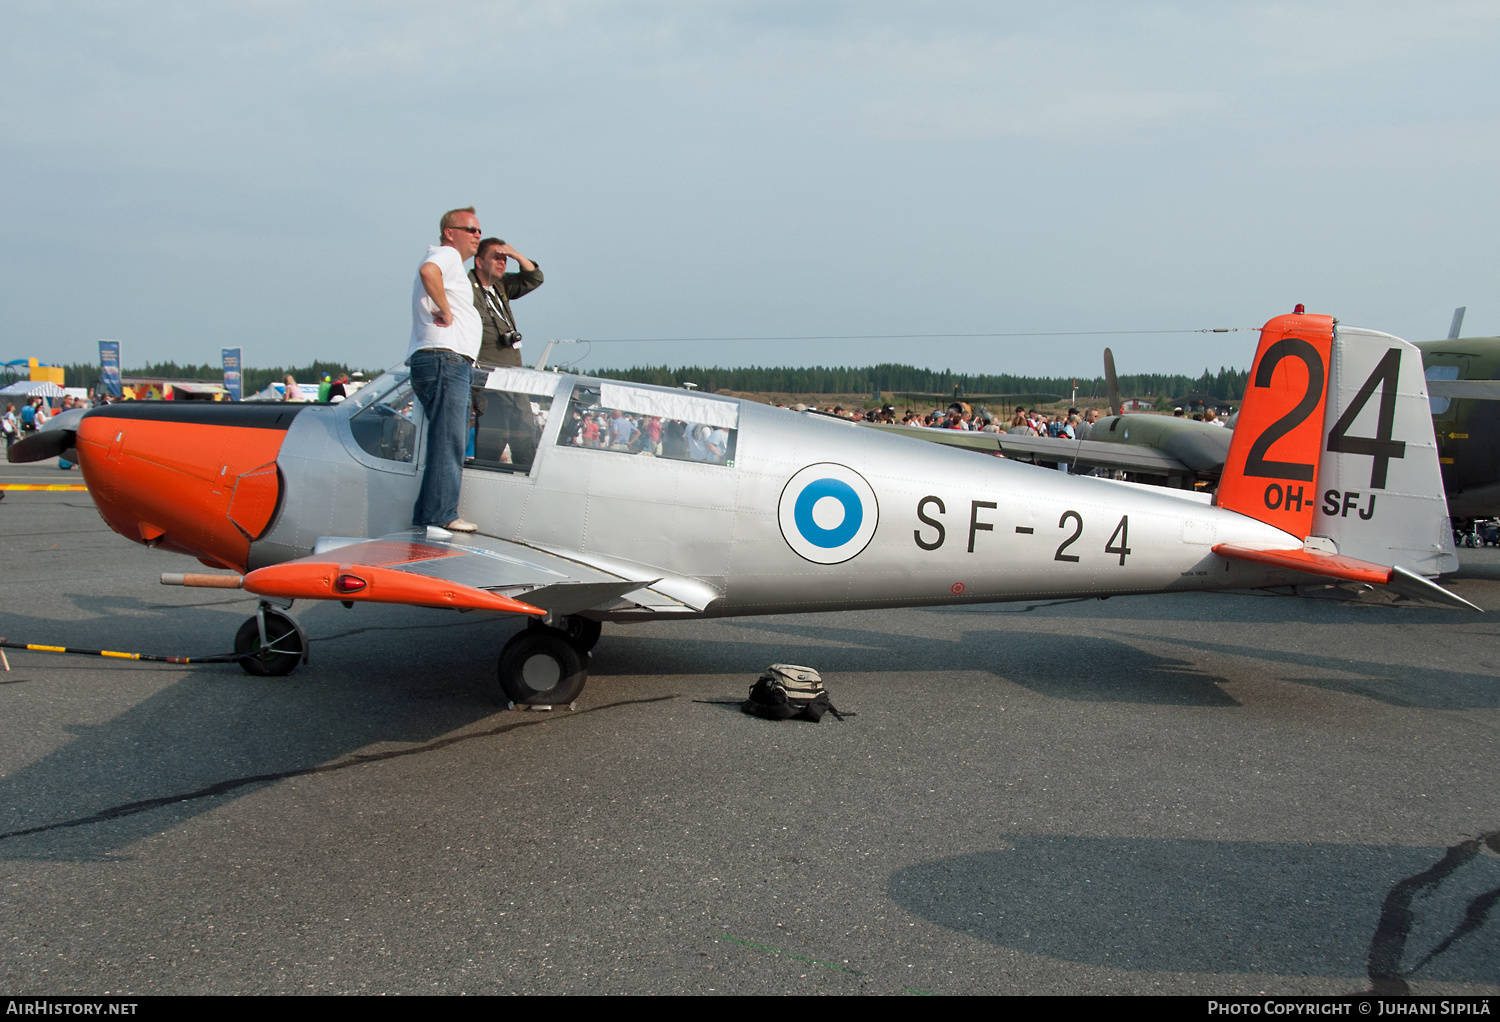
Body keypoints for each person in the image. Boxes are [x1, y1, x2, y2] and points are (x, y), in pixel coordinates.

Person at [409, 206, 485, 531]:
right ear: (449, 232)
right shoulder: (447, 255)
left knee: (446, 438)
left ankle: (429, 516)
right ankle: (440, 515)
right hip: (445, 358)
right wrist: (446, 309)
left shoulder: (450, 259)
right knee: (449, 440)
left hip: (443, 359)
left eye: (479, 231)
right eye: (470, 230)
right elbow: (429, 272)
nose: (477, 236)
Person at [468, 236, 544, 470]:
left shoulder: (501, 286)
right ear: (479, 262)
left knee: (525, 442)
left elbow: (534, 278)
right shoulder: (467, 288)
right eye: (496, 258)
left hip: (515, 382)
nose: (502, 263)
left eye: (505, 260)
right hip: (490, 383)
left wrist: (516, 255)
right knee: (491, 446)